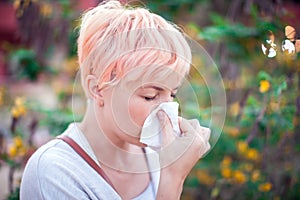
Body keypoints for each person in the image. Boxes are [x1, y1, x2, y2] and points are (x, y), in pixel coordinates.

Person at [20, 0, 211, 199]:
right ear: (98, 90)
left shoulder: (156, 156)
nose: (166, 111)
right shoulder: (54, 173)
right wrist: (172, 179)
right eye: (150, 96)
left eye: (172, 94)